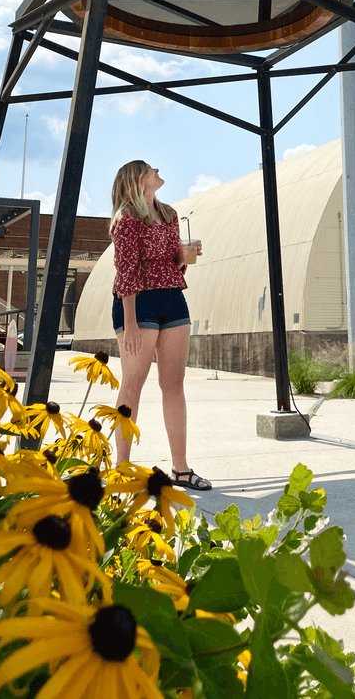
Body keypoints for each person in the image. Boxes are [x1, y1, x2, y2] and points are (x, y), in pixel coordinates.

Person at [109, 158, 211, 490]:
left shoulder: (169, 214)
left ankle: (180, 470)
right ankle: (120, 469)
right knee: (132, 385)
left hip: (172, 298)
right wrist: (131, 323)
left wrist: (183, 258)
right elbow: (126, 271)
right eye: (150, 169)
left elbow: (172, 266)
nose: (158, 171)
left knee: (174, 384)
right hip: (139, 304)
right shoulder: (125, 221)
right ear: (137, 180)